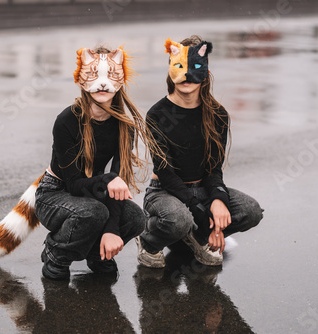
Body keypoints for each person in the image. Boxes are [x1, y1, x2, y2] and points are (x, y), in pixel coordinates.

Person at [136, 36, 264, 268]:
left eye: (194, 67)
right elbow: (165, 172)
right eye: (180, 67)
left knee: (250, 211)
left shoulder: (217, 114)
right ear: (171, 69)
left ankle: (193, 236)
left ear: (205, 72)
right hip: (166, 191)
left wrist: (217, 199)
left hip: (203, 188)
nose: (187, 76)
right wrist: (208, 222)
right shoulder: (158, 115)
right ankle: (150, 240)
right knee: (178, 219)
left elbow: (214, 168)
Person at [35, 45, 150, 280]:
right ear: (82, 79)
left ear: (120, 79)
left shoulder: (124, 126)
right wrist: (109, 179)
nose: (103, 84)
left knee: (136, 218)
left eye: (110, 75)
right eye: (95, 75)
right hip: (54, 194)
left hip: (94, 192)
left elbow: (119, 182)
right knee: (93, 212)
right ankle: (57, 252)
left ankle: (98, 254)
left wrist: (112, 230)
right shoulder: (67, 120)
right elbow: (74, 184)